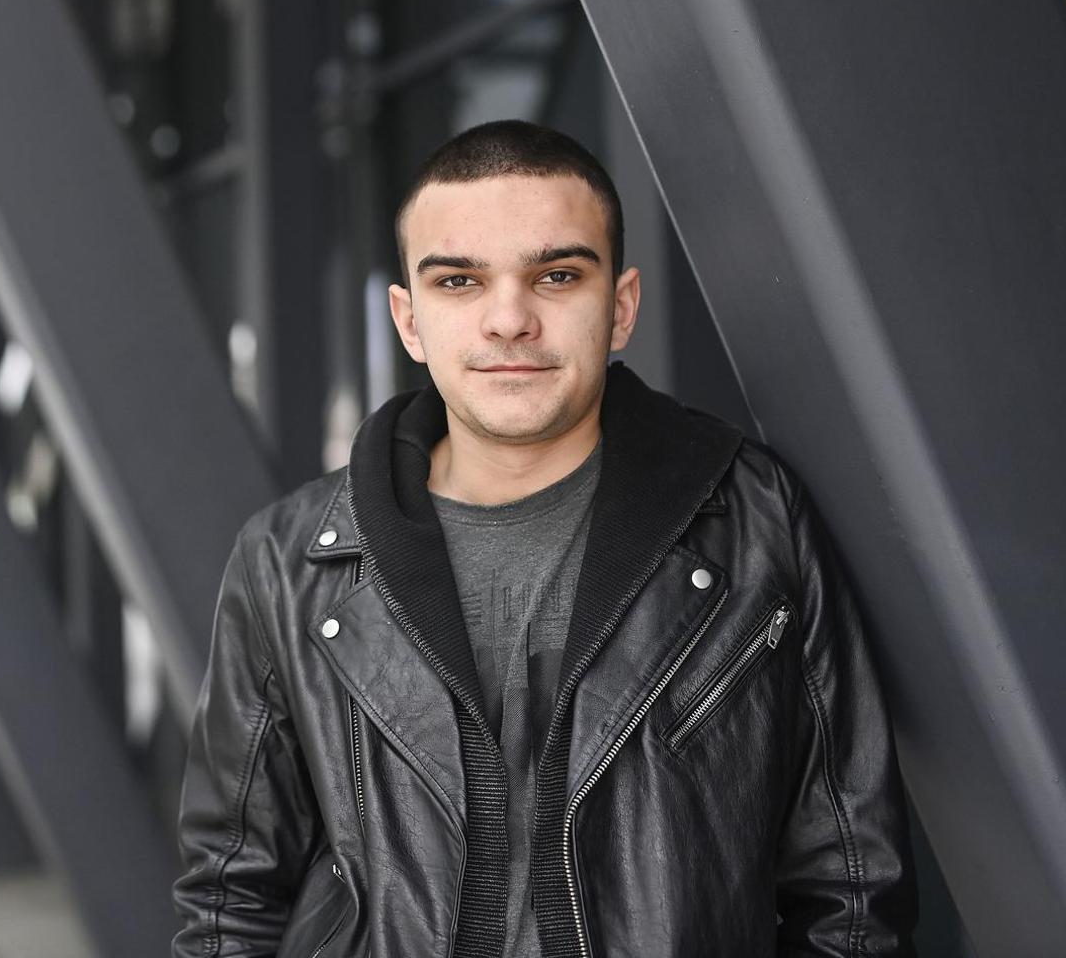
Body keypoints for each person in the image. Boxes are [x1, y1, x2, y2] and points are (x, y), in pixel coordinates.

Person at [171, 119, 916, 956]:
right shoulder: (288, 559)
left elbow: (851, 891)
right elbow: (230, 898)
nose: (509, 319)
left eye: (556, 275)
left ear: (620, 307)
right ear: (409, 320)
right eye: (459, 281)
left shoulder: (754, 519)